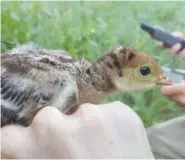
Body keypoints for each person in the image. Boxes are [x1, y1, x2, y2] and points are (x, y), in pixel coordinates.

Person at [1, 31, 185, 159]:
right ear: (117, 72)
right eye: (143, 72)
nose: (162, 78)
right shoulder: (59, 85)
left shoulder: (76, 81)